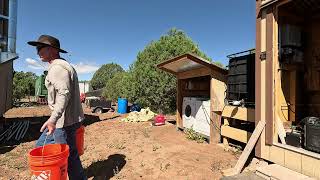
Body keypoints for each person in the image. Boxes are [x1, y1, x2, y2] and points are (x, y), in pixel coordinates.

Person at [28, 35, 87, 180]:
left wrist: (53, 119)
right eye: (37, 48)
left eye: (40, 48)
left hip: (62, 123)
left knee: (69, 158)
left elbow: (63, 93)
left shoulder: (57, 67)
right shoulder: (65, 65)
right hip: (66, 120)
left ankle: (53, 175)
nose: (37, 52)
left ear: (53, 50)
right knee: (42, 147)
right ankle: (52, 174)